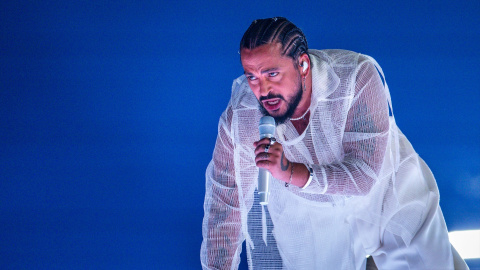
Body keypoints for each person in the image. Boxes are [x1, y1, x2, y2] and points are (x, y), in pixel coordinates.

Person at [201, 17, 467, 269]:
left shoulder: (354, 77)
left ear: (303, 65)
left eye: (272, 73)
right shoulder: (241, 117)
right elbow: (225, 205)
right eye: (252, 77)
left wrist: (290, 171)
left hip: (386, 196)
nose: (262, 89)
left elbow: (364, 176)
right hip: (312, 219)